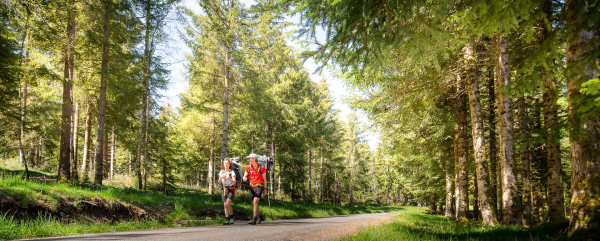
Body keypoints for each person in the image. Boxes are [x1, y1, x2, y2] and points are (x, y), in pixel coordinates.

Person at [243, 153, 267, 225]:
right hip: (251, 187)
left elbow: (265, 179)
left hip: (259, 186)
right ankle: (259, 216)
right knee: (254, 203)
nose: (248, 160)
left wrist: (265, 189)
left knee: (255, 202)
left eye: (250, 158)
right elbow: (245, 175)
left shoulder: (262, 168)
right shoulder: (248, 167)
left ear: (254, 159)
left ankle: (254, 218)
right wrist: (244, 178)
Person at [218, 158, 236, 225]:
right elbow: (219, 182)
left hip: (230, 188)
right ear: (223, 164)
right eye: (225, 163)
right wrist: (220, 177)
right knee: (225, 205)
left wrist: (229, 178)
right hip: (224, 188)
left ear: (229, 164)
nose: (226, 164)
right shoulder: (221, 172)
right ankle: (227, 218)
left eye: (227, 163)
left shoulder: (232, 172)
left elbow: (234, 182)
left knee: (228, 203)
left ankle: (232, 217)